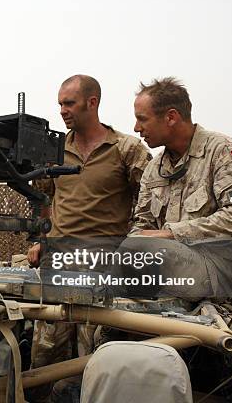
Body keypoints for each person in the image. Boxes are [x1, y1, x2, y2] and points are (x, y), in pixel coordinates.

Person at [26, 75, 151, 402]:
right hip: (58, 269)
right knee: (43, 358)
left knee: (95, 360)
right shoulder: (54, 150)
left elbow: (154, 198)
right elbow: (40, 197)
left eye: (69, 103)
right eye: (60, 104)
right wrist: (40, 239)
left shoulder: (126, 149)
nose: (62, 111)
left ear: (92, 102)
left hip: (103, 272)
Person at [128, 77, 232, 298]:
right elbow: (142, 224)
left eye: (142, 119)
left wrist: (171, 234)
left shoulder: (223, 152)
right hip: (171, 262)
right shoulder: (154, 169)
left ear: (171, 117)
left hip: (219, 267)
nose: (136, 128)